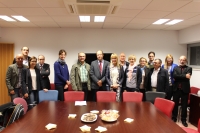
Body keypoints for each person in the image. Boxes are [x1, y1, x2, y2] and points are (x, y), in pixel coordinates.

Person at [172, 56, 192, 127]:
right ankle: (174, 117)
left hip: (185, 89)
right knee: (175, 104)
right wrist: (184, 76)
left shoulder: (189, 68)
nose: (182, 61)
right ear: (179, 60)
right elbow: (174, 76)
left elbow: (188, 78)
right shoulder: (175, 68)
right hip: (176, 89)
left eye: (184, 60)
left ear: (186, 61)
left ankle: (183, 120)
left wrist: (178, 77)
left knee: (184, 105)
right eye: (181, 60)